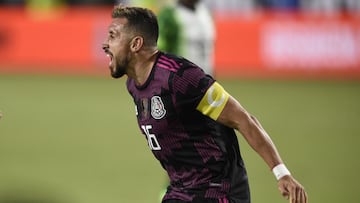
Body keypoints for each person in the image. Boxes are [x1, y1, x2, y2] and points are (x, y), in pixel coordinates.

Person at [102, 5, 308, 203]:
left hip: (218, 191)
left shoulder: (180, 77)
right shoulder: (133, 84)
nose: (105, 44)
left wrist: (282, 173)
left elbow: (243, 119)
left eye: (112, 36)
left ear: (136, 44)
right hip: (180, 190)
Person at [157, 0, 216, 76]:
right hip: (180, 78)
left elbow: (209, 47)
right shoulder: (169, 15)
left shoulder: (206, 12)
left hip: (206, 76)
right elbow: (159, 49)